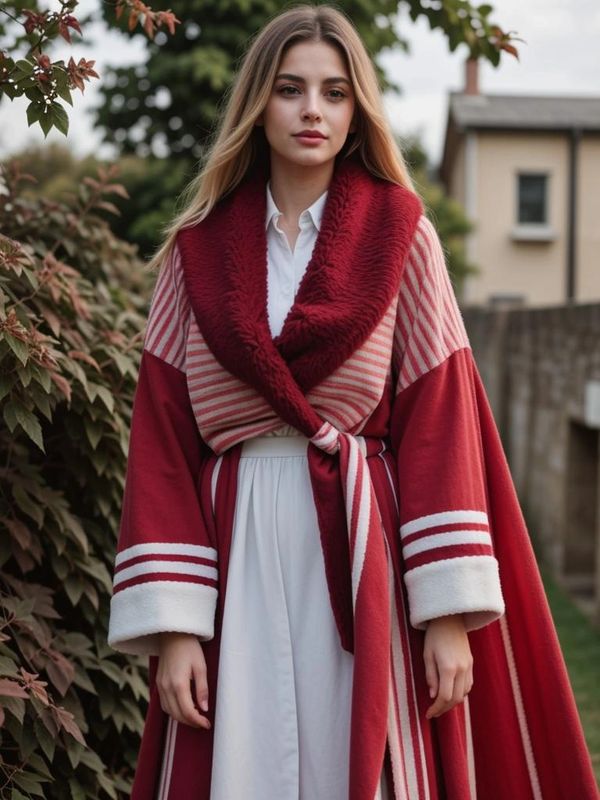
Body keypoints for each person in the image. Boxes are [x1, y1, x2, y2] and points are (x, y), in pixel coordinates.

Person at [107, 4, 598, 799]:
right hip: (237, 549)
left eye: (334, 93)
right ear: (257, 104)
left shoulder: (404, 236)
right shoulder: (193, 251)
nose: (312, 111)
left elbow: (441, 425)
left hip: (363, 544)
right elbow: (162, 438)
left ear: (356, 108)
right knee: (242, 764)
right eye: (291, 89)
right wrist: (174, 629)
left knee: (358, 767)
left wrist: (444, 616)